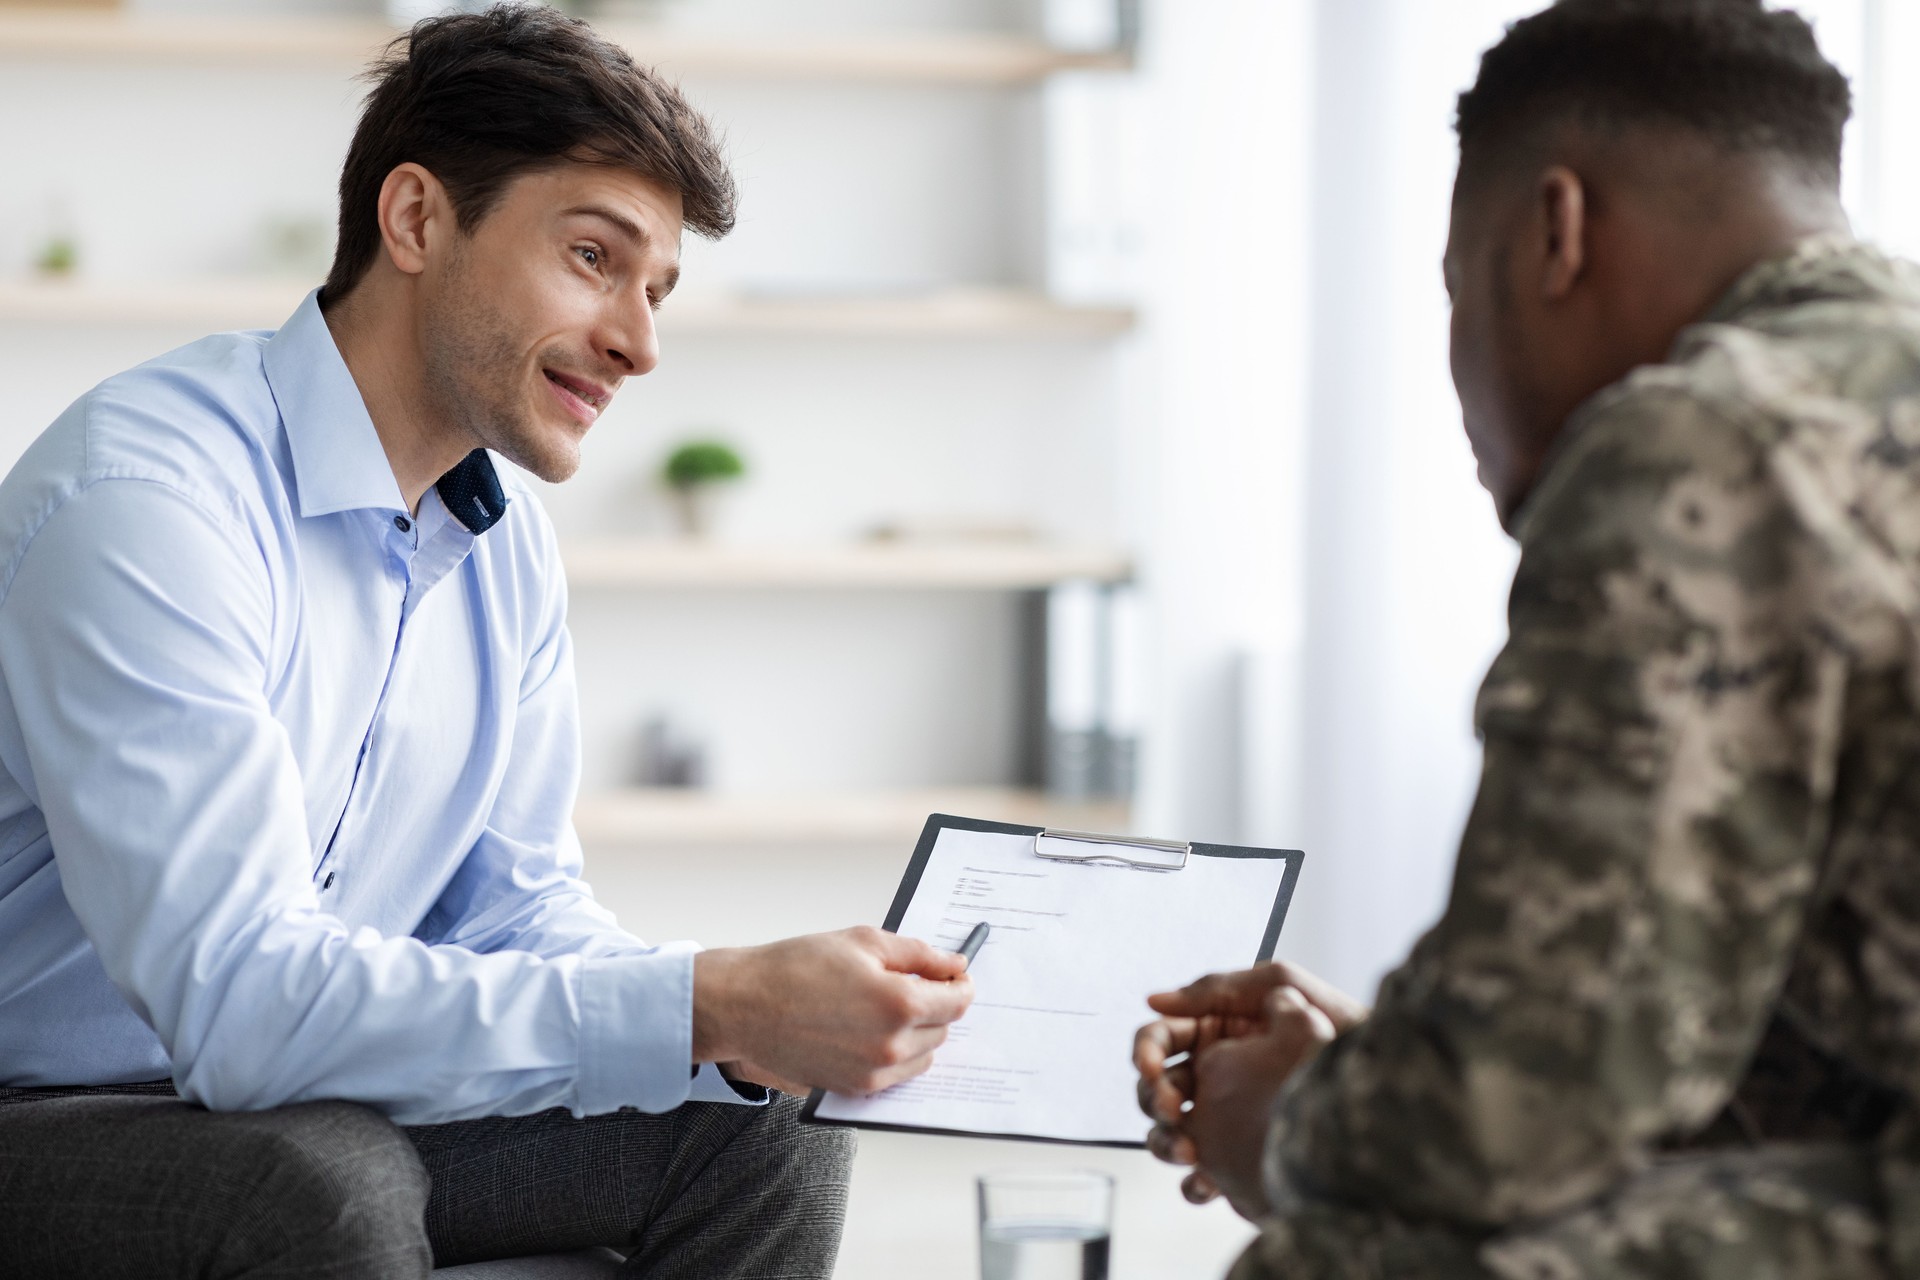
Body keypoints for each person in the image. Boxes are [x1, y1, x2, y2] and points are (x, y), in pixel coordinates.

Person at [0, 7, 973, 1278]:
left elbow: (515, 914)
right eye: (591, 256)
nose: (640, 341)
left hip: (314, 1091)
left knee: (764, 1119)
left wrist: (746, 1025)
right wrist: (708, 997)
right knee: (322, 1178)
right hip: (52, 1114)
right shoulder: (148, 500)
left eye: (656, 290)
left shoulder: (500, 545)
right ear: (415, 219)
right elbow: (240, 1007)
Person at [1134, 1, 1920, 1276]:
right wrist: (1400, 1058)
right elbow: (1744, 1055)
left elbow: (1516, 1112)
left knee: (1346, 1254)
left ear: (1556, 232)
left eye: (1459, 289)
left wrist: (1281, 1121)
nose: (1458, 366)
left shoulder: (1707, 443)